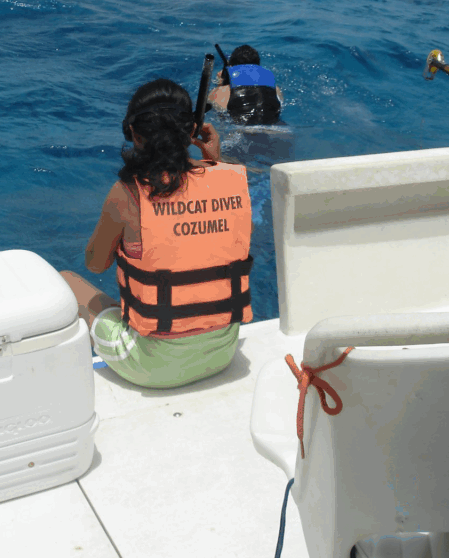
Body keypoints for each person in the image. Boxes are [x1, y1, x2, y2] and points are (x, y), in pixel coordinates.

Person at [61, 79, 253, 389]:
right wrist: (214, 160)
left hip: (150, 368)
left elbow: (95, 264)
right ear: (191, 131)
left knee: (67, 281)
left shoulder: (127, 193)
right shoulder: (230, 177)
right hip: (222, 353)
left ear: (134, 135)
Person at [208, 45, 283, 125]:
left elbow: (205, 107)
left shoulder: (221, 91)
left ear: (231, 67)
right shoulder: (275, 88)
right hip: (274, 127)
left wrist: (220, 84)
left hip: (239, 128)